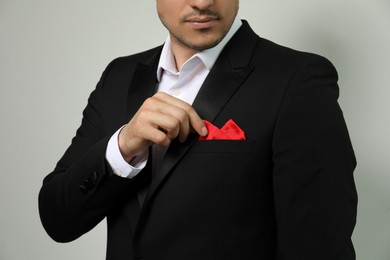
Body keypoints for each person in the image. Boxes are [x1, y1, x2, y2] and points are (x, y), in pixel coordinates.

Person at [38, 1, 358, 259]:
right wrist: (122, 147)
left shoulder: (297, 80)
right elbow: (57, 219)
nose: (203, 2)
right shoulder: (118, 77)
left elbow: (321, 246)